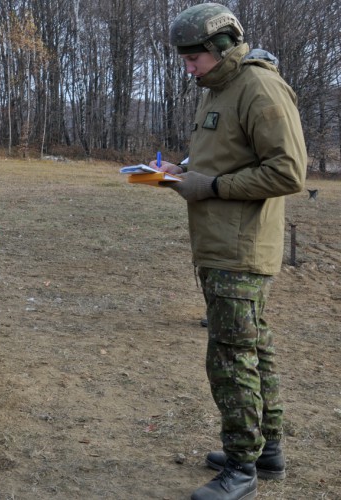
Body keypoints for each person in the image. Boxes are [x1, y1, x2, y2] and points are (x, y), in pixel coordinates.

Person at [158, 4, 307, 499]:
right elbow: (220, 153)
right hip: (219, 246)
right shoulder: (219, 89)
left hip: (241, 251)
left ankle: (241, 469)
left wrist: (212, 186)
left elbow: (289, 172)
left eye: (193, 57)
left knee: (230, 359)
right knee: (253, 349)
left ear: (222, 48)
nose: (188, 67)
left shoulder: (260, 88)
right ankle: (266, 452)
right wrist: (180, 170)